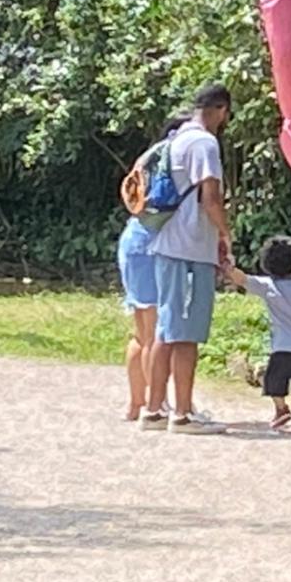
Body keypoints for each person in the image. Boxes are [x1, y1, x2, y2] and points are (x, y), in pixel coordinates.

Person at [138, 83, 234, 435]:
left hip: (165, 243)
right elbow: (211, 198)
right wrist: (225, 234)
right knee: (187, 333)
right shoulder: (205, 143)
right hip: (191, 248)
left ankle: (154, 410)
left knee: (166, 327)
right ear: (221, 109)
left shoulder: (175, 139)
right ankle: (182, 414)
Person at [118, 115, 187, 420]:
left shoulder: (151, 155)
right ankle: (156, 407)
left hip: (133, 239)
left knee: (141, 331)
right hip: (153, 246)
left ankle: (136, 404)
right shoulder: (181, 157)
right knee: (156, 333)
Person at [222, 235, 291, 432]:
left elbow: (241, 278)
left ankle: (282, 409)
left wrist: (226, 264)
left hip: (282, 347)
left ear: (267, 264)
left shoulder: (267, 286)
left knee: (274, 382)